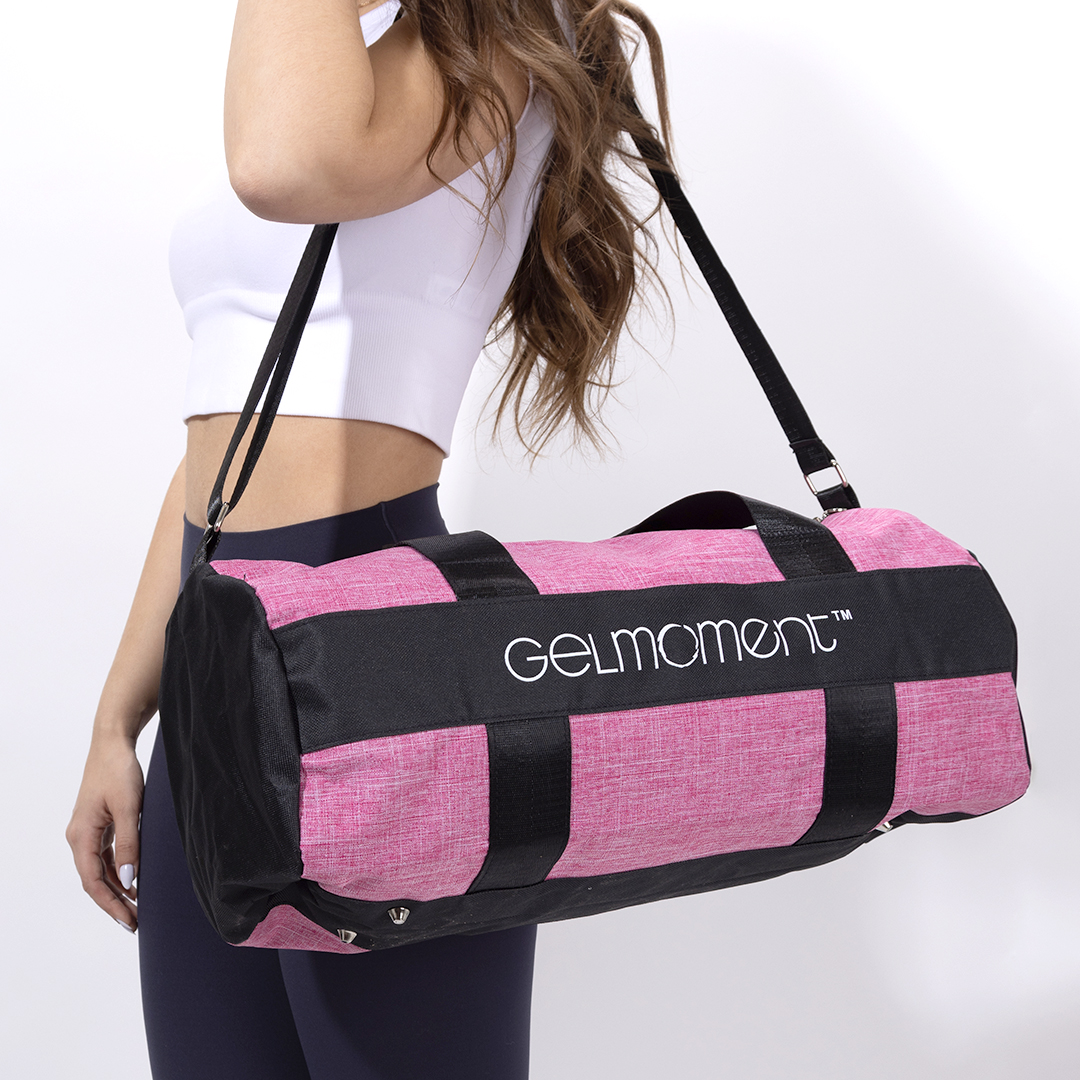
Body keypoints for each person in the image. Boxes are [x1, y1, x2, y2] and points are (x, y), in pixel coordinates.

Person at [66, 1, 677, 1076]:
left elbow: (282, 163)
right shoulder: (367, 45)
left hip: (384, 658)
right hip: (217, 662)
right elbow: (221, 452)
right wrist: (120, 718)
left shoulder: (498, 41)